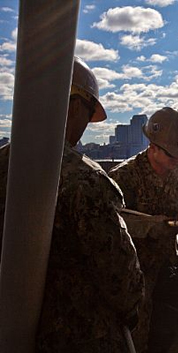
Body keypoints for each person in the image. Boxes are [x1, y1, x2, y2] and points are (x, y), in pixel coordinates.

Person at [0, 56, 144, 352]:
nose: (85, 128)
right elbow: (121, 280)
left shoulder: (4, 165)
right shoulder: (85, 180)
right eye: (89, 114)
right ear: (76, 107)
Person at [109, 107, 178, 352]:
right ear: (153, 148)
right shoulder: (123, 178)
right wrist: (149, 226)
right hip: (137, 277)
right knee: (138, 339)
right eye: (172, 155)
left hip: (172, 271)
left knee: (167, 335)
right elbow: (109, 221)